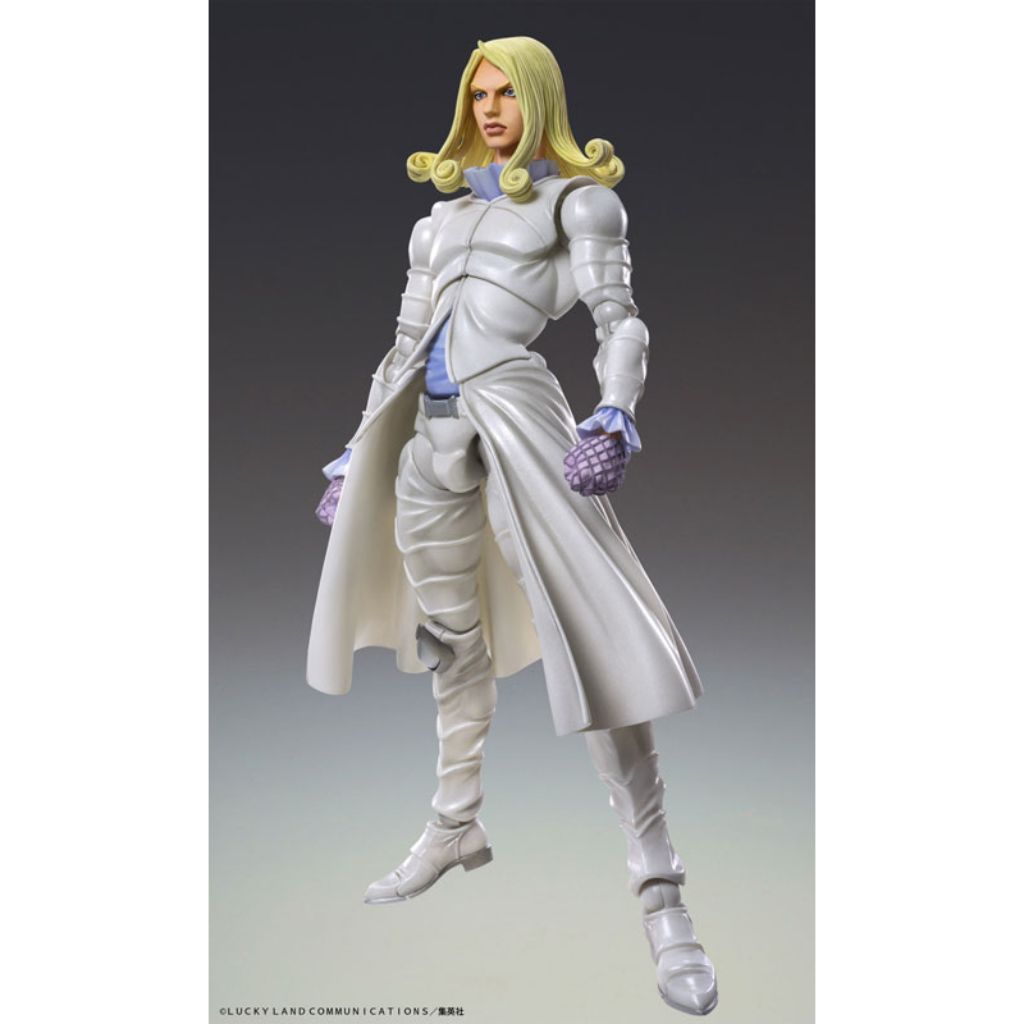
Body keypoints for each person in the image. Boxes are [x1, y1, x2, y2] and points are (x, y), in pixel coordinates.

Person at [308, 36, 718, 1016]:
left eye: (506, 93)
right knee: (449, 639)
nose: (490, 109)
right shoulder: (438, 221)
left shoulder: (580, 202)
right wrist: (355, 449)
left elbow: (620, 320)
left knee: (594, 643)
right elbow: (402, 344)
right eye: (478, 94)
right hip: (426, 437)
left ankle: (661, 895)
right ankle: (456, 823)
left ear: (540, 100)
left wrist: (613, 414)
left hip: (522, 421)